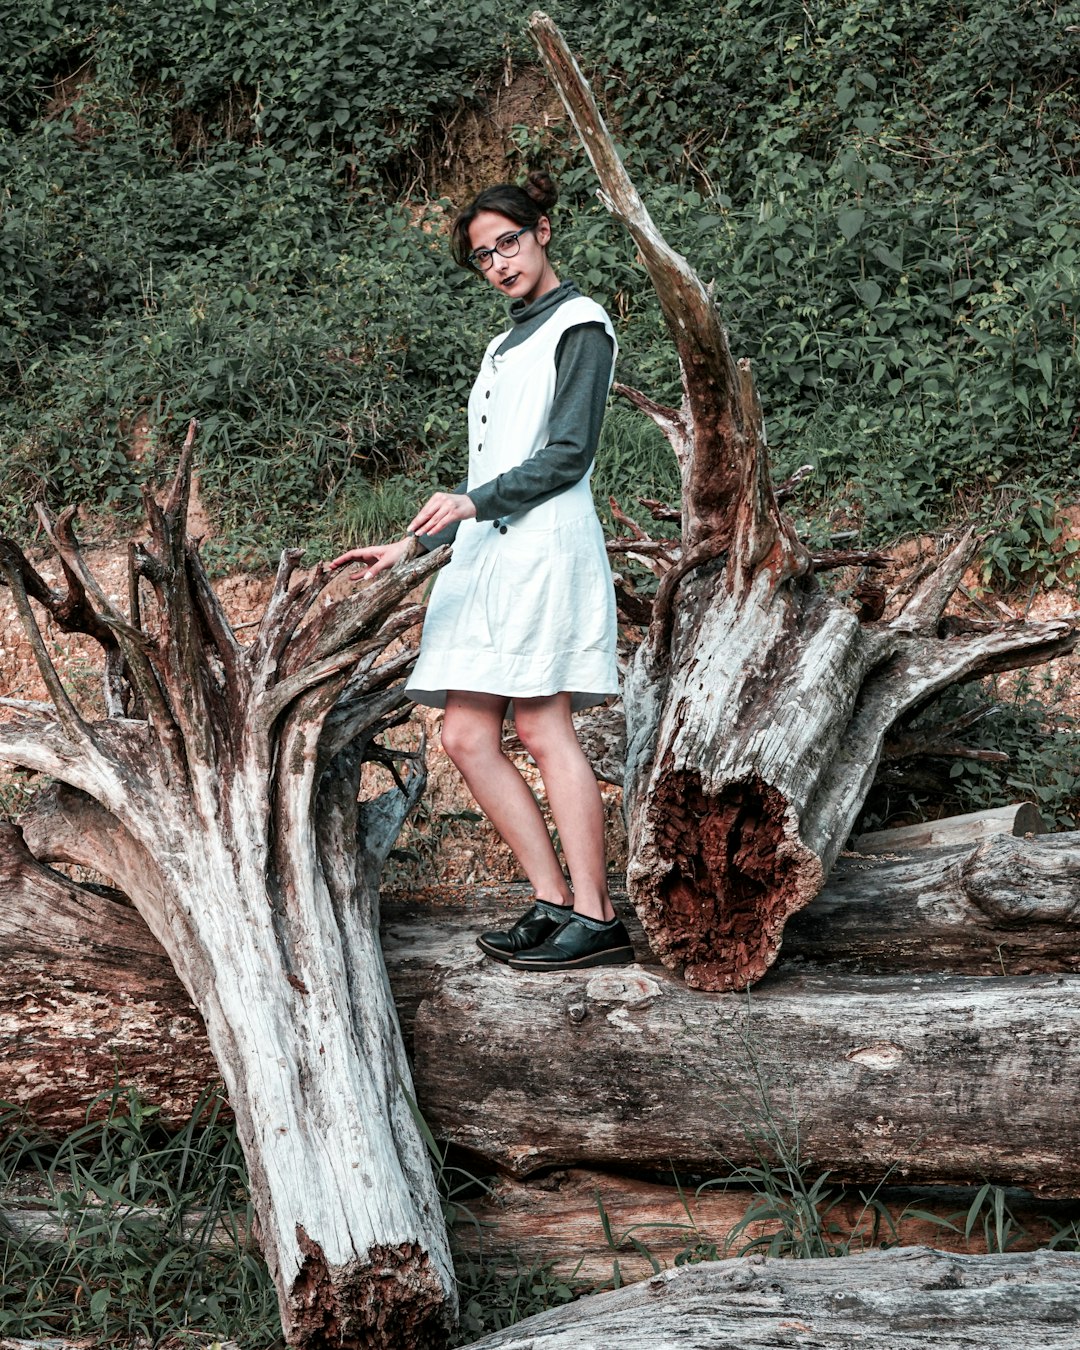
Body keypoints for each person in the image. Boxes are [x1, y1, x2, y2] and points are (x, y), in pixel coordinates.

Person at [330, 172, 633, 972]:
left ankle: (597, 913)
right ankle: (552, 898)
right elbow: (488, 462)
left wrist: (469, 506)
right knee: (466, 734)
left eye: (508, 242)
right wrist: (413, 547)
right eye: (481, 256)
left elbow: (568, 456)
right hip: (488, 550)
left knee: (539, 725)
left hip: (542, 548)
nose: (497, 262)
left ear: (541, 231)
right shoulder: (504, 343)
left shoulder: (582, 325)